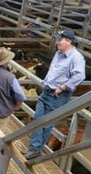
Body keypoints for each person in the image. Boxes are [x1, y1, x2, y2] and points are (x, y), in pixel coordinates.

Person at [24, 29, 86, 160]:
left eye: (60, 40)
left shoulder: (76, 57)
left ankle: (35, 149)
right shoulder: (58, 53)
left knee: (46, 122)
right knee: (38, 118)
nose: (57, 42)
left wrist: (63, 87)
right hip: (47, 90)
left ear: (69, 41)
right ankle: (34, 148)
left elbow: (80, 75)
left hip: (58, 95)